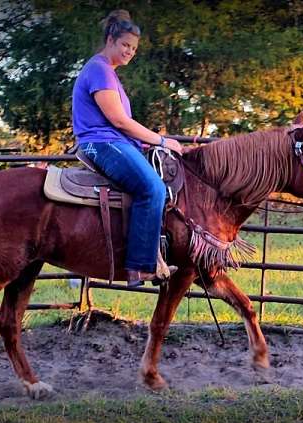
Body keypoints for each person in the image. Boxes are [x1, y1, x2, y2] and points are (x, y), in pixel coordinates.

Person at [72, 9, 182, 287]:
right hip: (101, 144)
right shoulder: (100, 70)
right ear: (110, 39)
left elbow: (122, 123)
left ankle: (155, 254)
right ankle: (139, 266)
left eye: (133, 48)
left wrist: (150, 142)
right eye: (125, 45)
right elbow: (119, 121)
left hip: (112, 141)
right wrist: (161, 140)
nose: (129, 52)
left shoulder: (109, 73)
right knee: (152, 188)